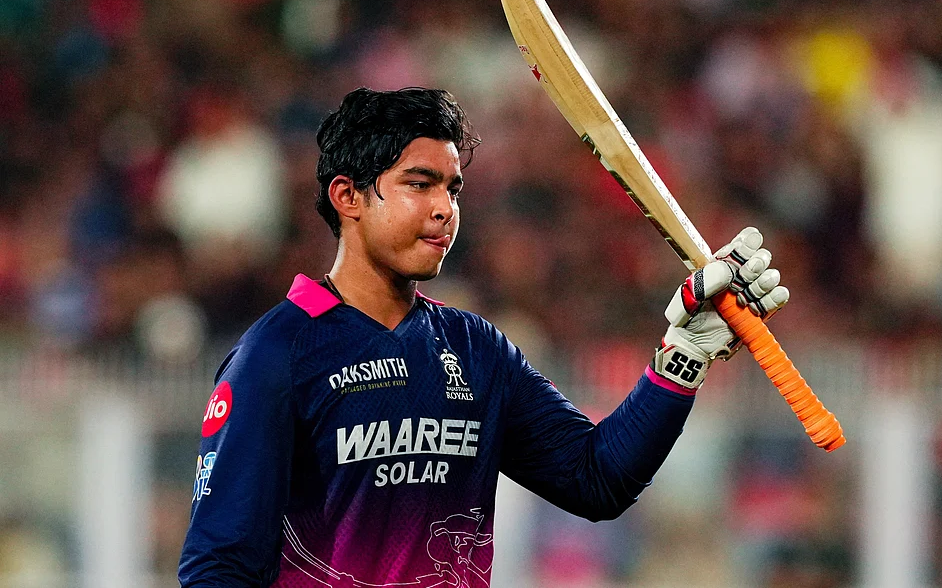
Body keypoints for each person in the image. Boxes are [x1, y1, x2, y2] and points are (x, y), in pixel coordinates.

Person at [178, 87, 789, 586]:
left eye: (453, 188)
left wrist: (682, 359)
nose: (446, 208)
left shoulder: (476, 350)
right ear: (349, 197)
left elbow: (596, 479)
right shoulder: (274, 355)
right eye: (420, 183)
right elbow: (218, 567)